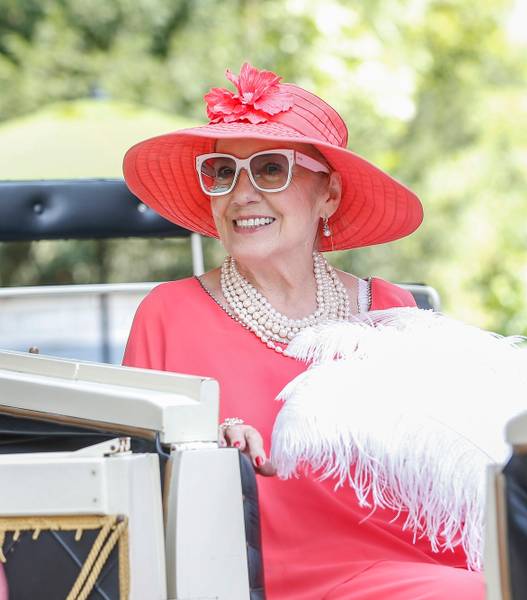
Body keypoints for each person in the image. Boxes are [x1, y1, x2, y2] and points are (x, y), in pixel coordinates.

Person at [122, 63, 483, 599]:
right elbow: (132, 490)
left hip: (411, 567)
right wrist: (205, 455)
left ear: (329, 195)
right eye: (222, 171)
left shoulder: (390, 309)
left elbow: (447, 472)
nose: (241, 193)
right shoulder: (167, 314)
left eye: (270, 169)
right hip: (248, 581)